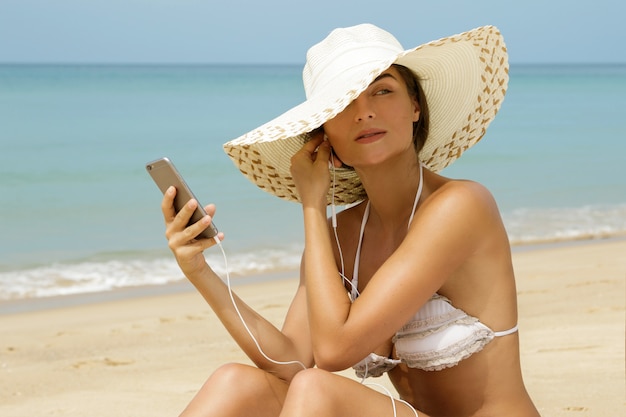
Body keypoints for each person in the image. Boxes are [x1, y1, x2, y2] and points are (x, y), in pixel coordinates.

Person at [161, 24, 540, 417]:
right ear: (324, 134)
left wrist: (313, 204)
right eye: (342, 102)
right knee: (234, 381)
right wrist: (199, 270)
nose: (365, 112)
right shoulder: (343, 235)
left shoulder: (460, 206)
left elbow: (332, 351)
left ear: (415, 107)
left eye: (382, 89)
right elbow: (293, 360)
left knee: (316, 389)